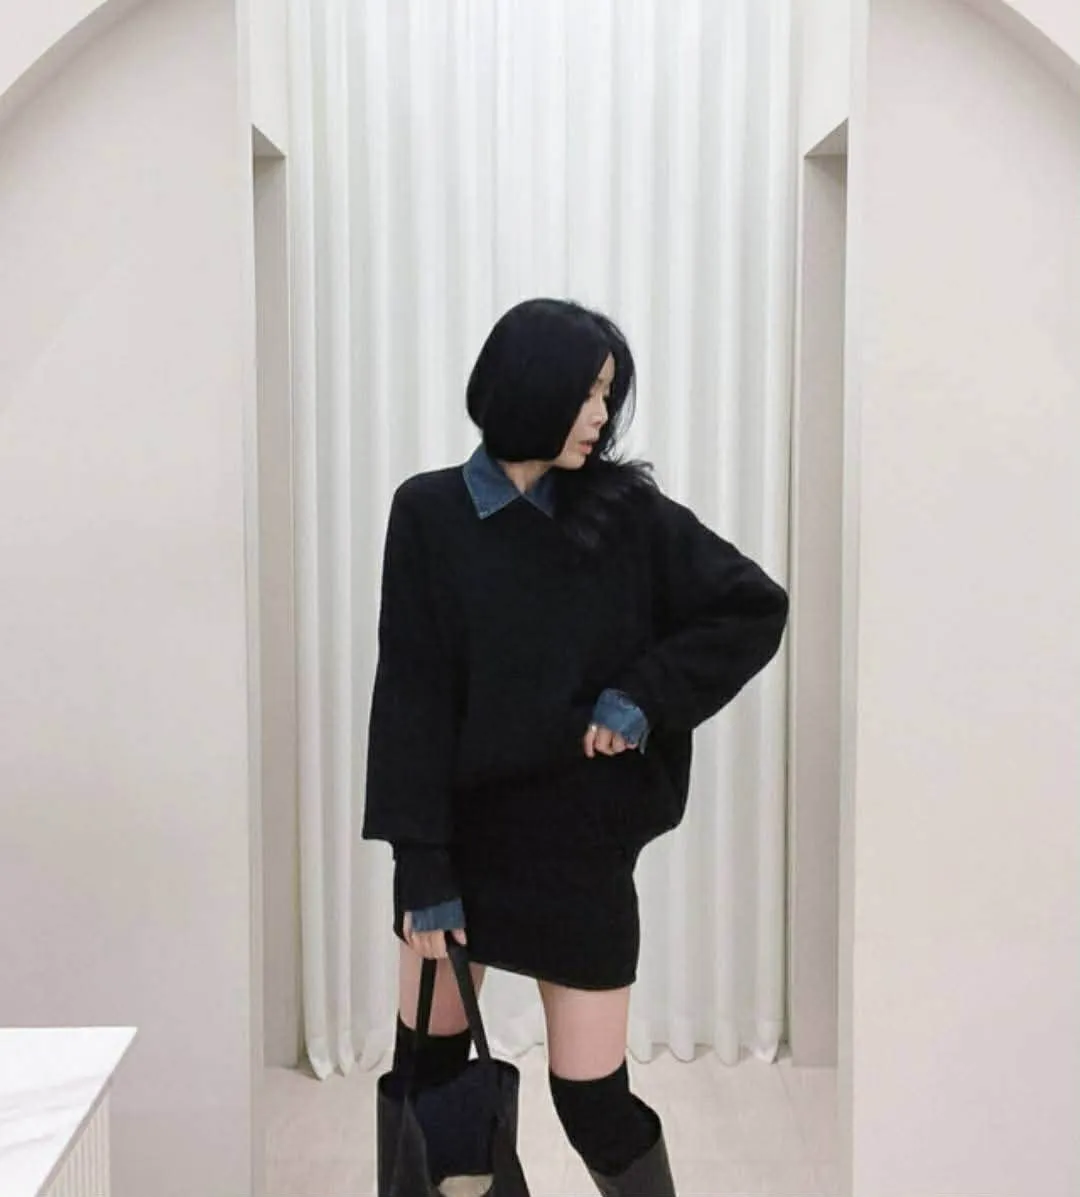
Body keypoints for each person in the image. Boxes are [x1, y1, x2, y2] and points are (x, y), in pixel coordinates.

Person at [362, 297, 789, 1197]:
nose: (601, 415)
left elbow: (752, 604)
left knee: (594, 1102)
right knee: (430, 1083)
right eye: (586, 393)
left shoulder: (626, 512)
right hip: (459, 850)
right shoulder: (429, 512)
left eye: (606, 394)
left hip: (578, 855)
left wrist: (645, 695)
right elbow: (410, 696)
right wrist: (421, 864)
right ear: (530, 389)